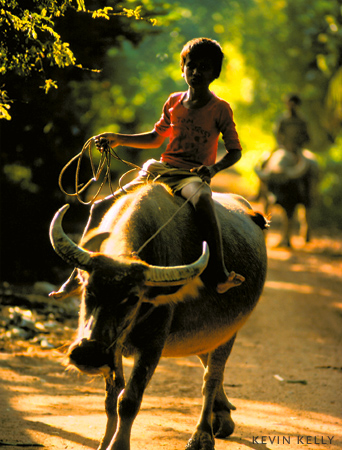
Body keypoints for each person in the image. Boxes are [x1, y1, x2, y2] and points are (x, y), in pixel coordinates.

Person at [51, 37, 245, 298]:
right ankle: (78, 275)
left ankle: (218, 273)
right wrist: (118, 138)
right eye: (191, 66)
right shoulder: (174, 102)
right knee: (100, 206)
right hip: (159, 170)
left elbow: (235, 151)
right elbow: (156, 137)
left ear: (215, 73)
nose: (196, 72)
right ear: (182, 67)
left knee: (202, 202)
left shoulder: (220, 109)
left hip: (190, 176)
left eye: (205, 67)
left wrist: (212, 170)